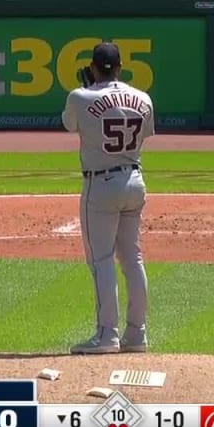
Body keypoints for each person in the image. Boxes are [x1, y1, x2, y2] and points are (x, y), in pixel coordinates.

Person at [61, 42, 155, 354]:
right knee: (133, 259)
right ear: (120, 67)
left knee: (101, 260)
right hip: (134, 179)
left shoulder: (79, 96)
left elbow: (69, 124)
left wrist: (89, 89)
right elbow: (144, 135)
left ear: (92, 67)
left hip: (100, 185)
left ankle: (106, 334)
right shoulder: (143, 97)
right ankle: (137, 334)